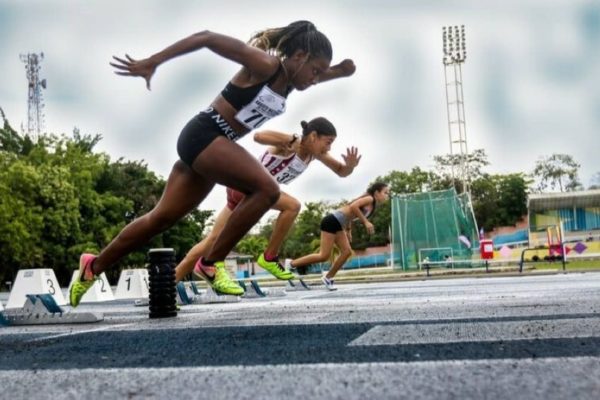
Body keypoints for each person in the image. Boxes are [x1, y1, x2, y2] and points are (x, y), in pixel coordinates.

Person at [69, 20, 356, 307]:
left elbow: (318, 74)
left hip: (215, 145)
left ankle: (92, 266)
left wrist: (340, 72)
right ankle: (210, 263)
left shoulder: (292, 81)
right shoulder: (265, 65)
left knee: (160, 218)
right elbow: (207, 38)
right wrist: (153, 62)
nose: (316, 79)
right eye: (315, 71)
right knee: (268, 190)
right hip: (205, 134)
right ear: (299, 57)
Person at [174, 117, 361, 294]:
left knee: (212, 240)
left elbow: (341, 171)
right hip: (247, 186)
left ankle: (168, 284)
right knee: (292, 206)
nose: (329, 147)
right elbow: (258, 136)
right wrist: (289, 138)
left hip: (245, 194)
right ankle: (269, 257)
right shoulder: (290, 145)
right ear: (313, 136)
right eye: (328, 142)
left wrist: (350, 166)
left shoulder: (315, 155)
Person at [287, 182, 390, 290]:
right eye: (385, 192)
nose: (387, 195)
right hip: (331, 221)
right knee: (323, 256)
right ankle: (291, 264)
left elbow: (351, 214)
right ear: (377, 192)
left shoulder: (372, 205)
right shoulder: (369, 199)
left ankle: (328, 278)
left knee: (346, 252)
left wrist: (348, 230)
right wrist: (365, 222)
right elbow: (353, 206)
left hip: (339, 224)